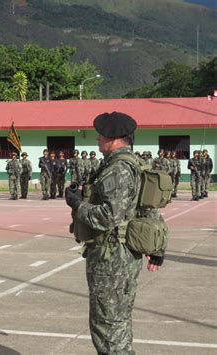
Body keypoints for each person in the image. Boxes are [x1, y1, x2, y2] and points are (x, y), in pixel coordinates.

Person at [65, 112, 164, 354]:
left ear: (114, 138)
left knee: (106, 324)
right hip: (124, 254)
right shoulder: (135, 163)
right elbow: (147, 208)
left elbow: (108, 216)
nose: (98, 139)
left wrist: (77, 204)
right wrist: (157, 248)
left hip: (112, 257)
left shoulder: (117, 168)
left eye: (101, 134)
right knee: (118, 321)